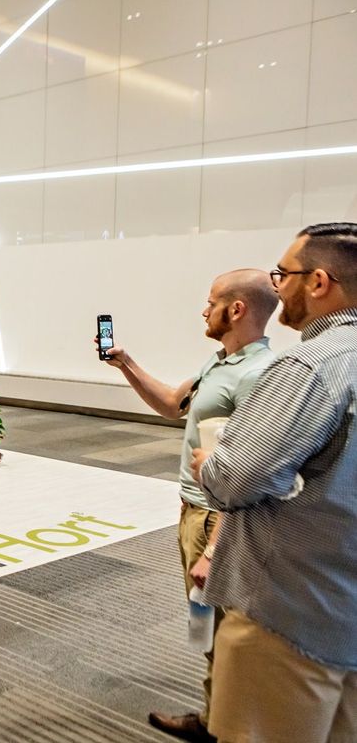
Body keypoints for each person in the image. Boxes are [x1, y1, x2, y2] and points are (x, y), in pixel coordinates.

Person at [191, 223, 357, 743]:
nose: (278, 286)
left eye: (283, 274)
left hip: (291, 614)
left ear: (320, 282)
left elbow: (238, 478)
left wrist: (210, 467)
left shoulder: (309, 365)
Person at [99, 269, 277, 743]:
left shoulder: (258, 376)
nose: (204, 308)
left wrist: (215, 546)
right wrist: (126, 364)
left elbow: (245, 473)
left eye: (212, 300)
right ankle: (217, 718)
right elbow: (172, 404)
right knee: (212, 628)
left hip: (216, 519)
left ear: (236, 310)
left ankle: (228, 729)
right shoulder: (221, 363)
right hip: (195, 513)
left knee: (224, 631)